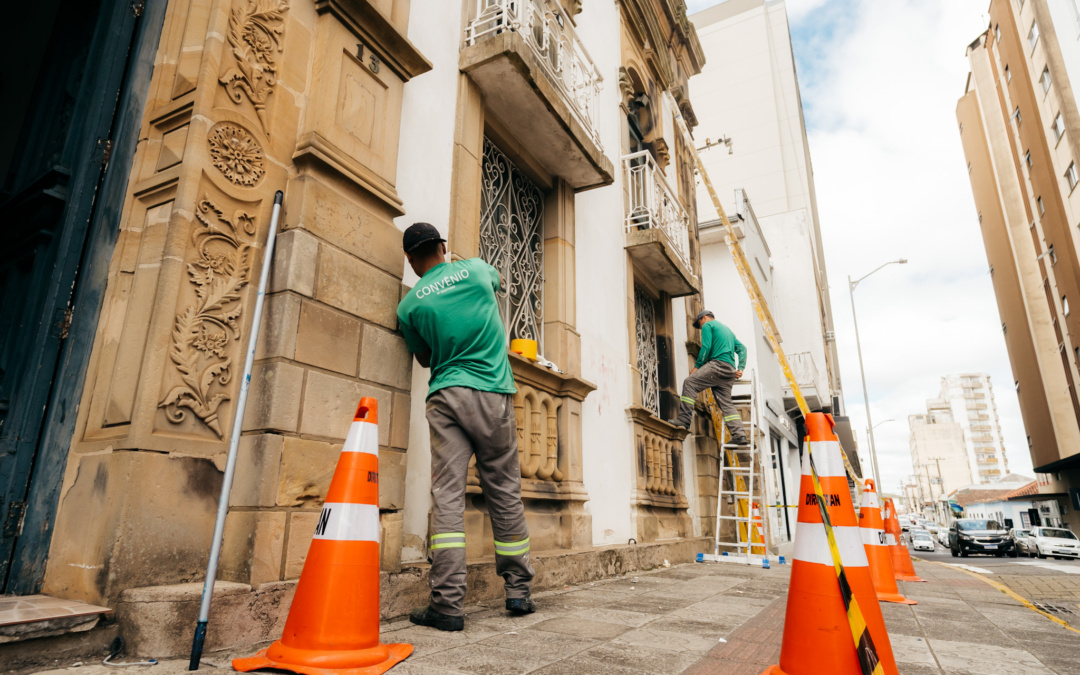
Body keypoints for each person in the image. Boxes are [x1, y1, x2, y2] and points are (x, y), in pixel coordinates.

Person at [396, 222, 535, 632]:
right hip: (493, 392)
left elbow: (423, 358)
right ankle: (518, 592)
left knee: (448, 497)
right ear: (442, 245)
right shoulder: (476, 269)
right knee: (505, 490)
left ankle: (448, 606)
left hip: (446, 396)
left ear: (409, 259)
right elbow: (499, 280)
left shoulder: (409, 307)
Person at [669, 310, 748, 444]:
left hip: (717, 365)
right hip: (729, 370)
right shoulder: (728, 331)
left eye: (699, 325)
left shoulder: (708, 326)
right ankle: (739, 435)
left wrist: (697, 366)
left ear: (703, 318)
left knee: (689, 383)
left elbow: (706, 346)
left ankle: (684, 419)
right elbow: (743, 349)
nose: (700, 329)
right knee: (726, 403)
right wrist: (740, 367)